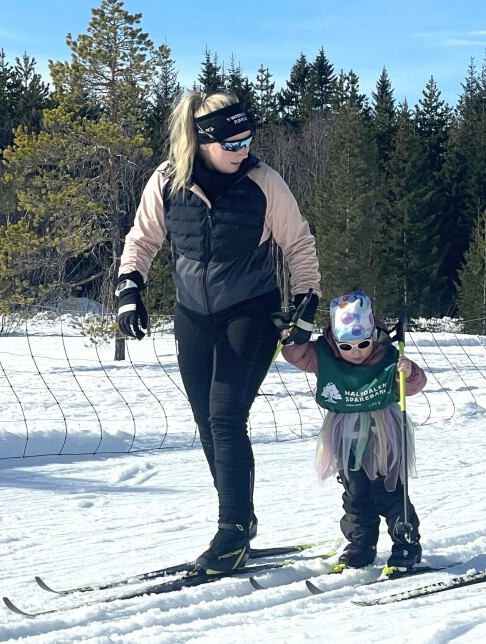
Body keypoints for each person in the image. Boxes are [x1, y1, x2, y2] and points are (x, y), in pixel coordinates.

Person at [115, 92, 321, 574]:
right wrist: (129, 288)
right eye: (232, 142)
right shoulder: (167, 182)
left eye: (247, 139)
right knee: (207, 421)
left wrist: (305, 305)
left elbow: (299, 244)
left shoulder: (264, 183)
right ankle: (240, 520)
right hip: (193, 316)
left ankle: (231, 530)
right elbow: (142, 239)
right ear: (203, 141)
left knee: (227, 416)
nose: (242, 150)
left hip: (251, 312)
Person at [280, 291, 427, 570]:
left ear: (374, 335)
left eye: (363, 344)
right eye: (347, 346)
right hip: (344, 433)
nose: (356, 352)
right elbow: (296, 355)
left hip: (383, 433)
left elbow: (412, 387)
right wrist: (294, 336)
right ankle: (361, 543)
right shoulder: (324, 355)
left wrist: (410, 373)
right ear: (335, 342)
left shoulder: (388, 356)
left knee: (389, 489)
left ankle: (406, 542)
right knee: (355, 491)